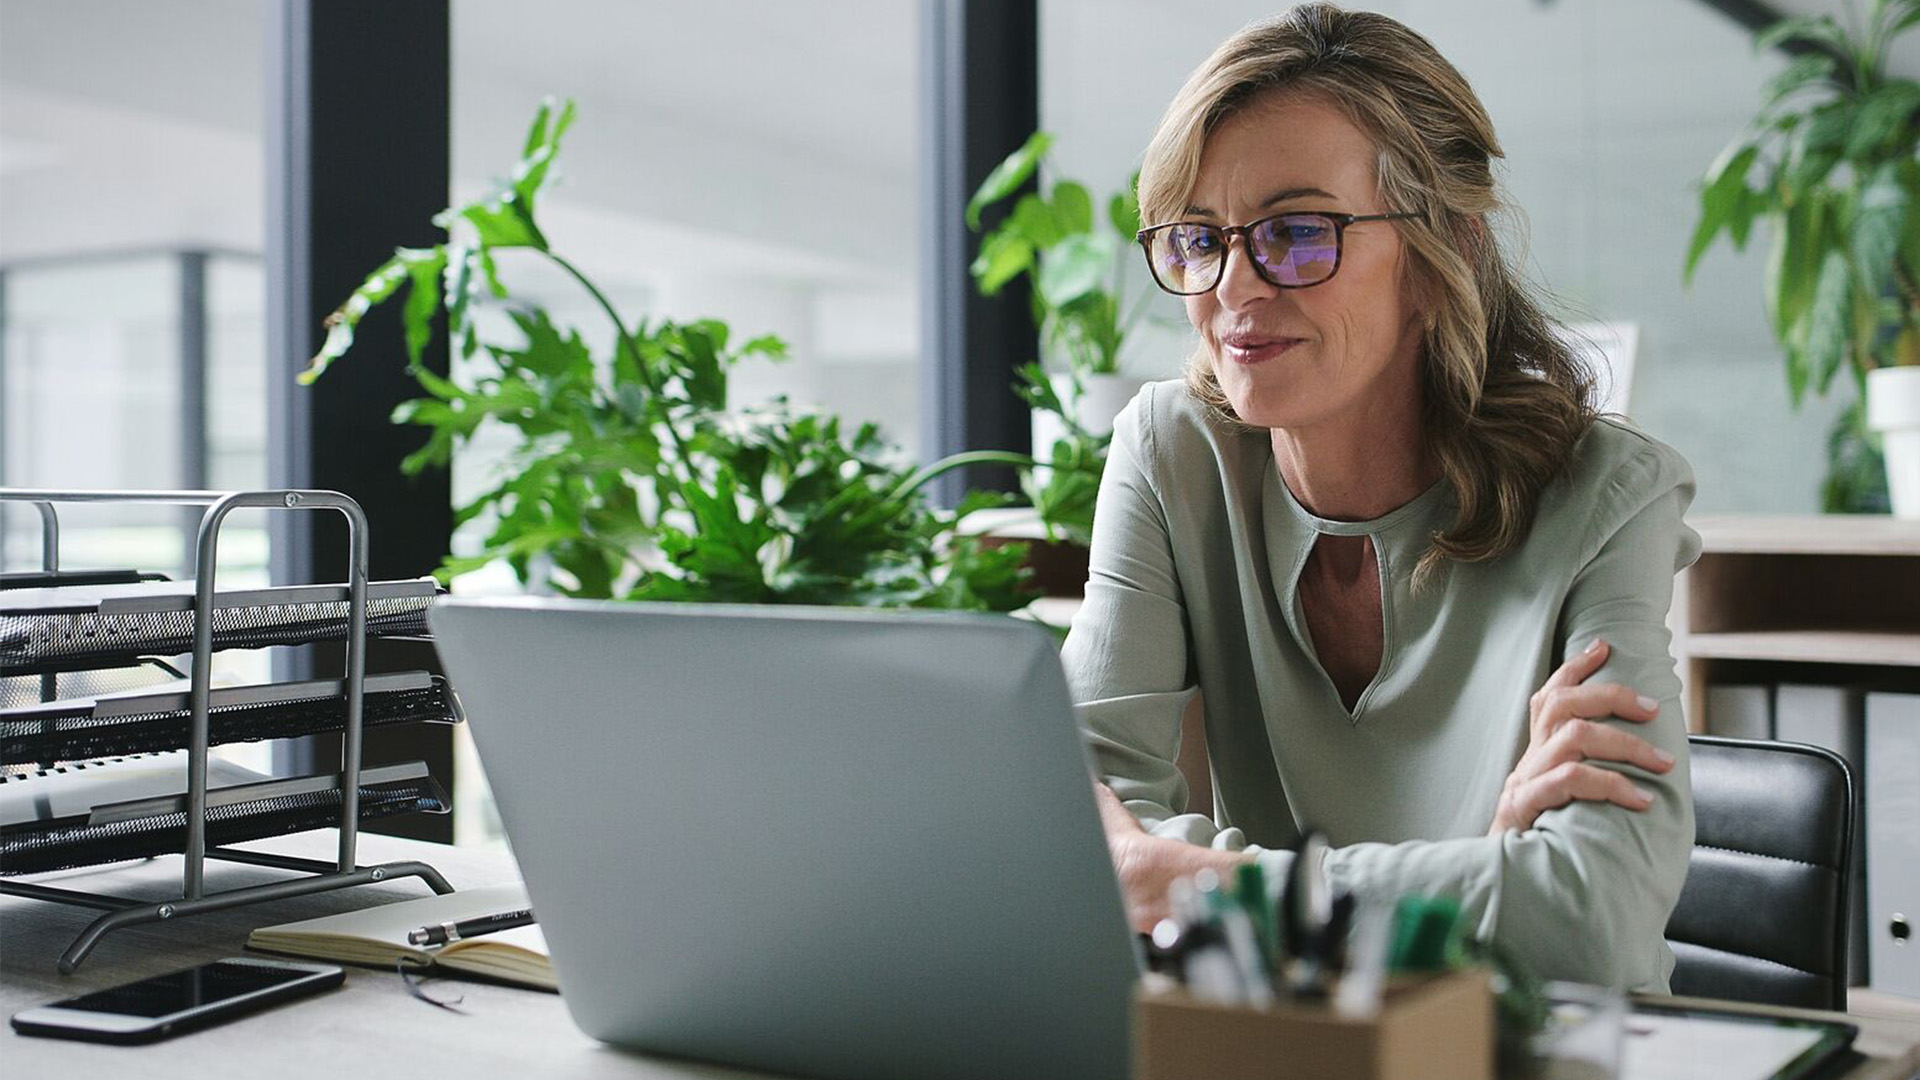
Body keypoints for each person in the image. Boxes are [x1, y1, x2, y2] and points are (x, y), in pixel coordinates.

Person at [1064, 3, 1699, 992]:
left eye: (1297, 233)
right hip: (1272, 1052)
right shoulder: (1171, 454)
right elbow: (1069, 841)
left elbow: (1590, 921)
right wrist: (1478, 883)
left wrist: (1189, 879)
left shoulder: (1608, 497)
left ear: (1442, 252)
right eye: (1198, 238)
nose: (1234, 285)